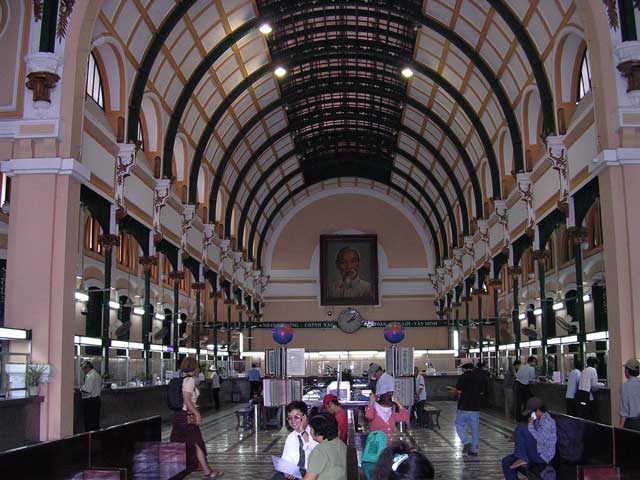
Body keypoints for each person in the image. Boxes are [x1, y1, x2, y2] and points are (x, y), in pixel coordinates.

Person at [170, 357, 223, 478]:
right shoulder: (190, 381)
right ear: (193, 368)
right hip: (187, 416)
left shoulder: (182, 379)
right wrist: (197, 414)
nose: (199, 368)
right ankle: (207, 471)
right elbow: (187, 400)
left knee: (181, 442)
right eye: (197, 366)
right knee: (197, 442)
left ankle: (195, 469)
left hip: (179, 416)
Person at [501, 397, 556, 480]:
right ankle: (522, 457)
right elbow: (531, 437)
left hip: (542, 456)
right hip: (535, 451)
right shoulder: (538, 420)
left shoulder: (548, 422)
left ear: (537, 410)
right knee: (506, 461)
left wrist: (530, 425)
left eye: (531, 412)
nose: (530, 414)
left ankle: (523, 458)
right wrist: (516, 437)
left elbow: (540, 440)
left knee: (521, 427)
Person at [273, 400, 318, 480]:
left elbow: (316, 451)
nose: (293, 421)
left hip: (312, 475)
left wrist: (303, 432)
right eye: (290, 418)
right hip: (295, 474)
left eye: (296, 417)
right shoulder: (290, 437)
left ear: (305, 417)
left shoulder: (315, 433)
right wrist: (287, 472)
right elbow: (286, 460)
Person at [453, 358, 487, 456]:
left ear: (464, 368)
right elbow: (481, 392)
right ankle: (474, 449)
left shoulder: (462, 377)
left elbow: (459, 391)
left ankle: (466, 441)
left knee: (459, 425)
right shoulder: (479, 377)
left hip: (463, 405)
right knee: (475, 428)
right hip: (475, 406)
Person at [302, 412, 347, 480]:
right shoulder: (342, 445)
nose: (310, 431)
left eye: (311, 428)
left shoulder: (319, 451)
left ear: (317, 431)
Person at [576, 356, 604, 421]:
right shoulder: (593, 370)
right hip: (585, 395)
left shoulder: (584, 370)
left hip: (579, 394)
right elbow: (594, 385)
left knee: (582, 412)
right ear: (594, 364)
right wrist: (602, 384)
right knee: (589, 412)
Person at [80, 360, 102, 432]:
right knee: (95, 421)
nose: (83, 371)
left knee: (89, 422)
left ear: (88, 368)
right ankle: (95, 437)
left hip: (90, 401)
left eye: (83, 369)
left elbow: (88, 390)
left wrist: (80, 389)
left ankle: (89, 438)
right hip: (96, 400)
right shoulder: (97, 374)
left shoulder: (90, 376)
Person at [618, 358, 640, 430]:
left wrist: (620, 428)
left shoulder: (625, 387)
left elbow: (624, 411)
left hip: (632, 424)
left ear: (627, 371)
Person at [514, 356, 537, 422]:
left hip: (519, 386)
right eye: (534, 362)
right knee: (526, 404)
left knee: (519, 403)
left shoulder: (521, 366)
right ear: (530, 362)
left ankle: (518, 418)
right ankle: (524, 418)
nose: (534, 363)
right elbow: (532, 379)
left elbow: (517, 376)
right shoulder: (531, 369)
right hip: (525, 387)